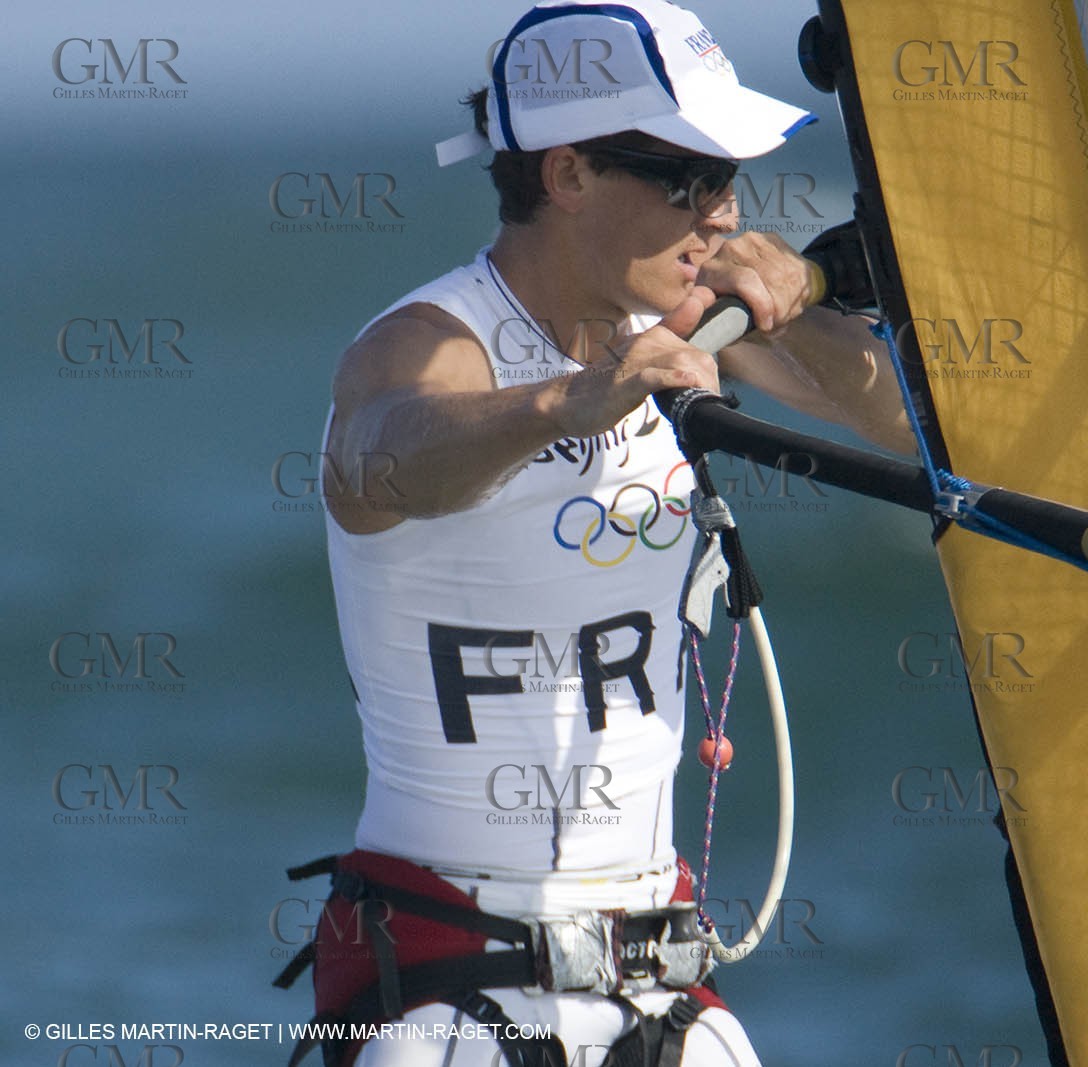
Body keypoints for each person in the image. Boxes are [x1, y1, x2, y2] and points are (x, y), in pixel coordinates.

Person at [280, 2, 912, 1065]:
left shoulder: (682, 320)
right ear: (568, 175)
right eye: (689, 181)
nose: (720, 214)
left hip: (659, 974)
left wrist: (796, 297)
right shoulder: (424, 342)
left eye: (728, 182)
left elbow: (902, 420)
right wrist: (569, 401)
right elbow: (379, 462)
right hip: (448, 979)